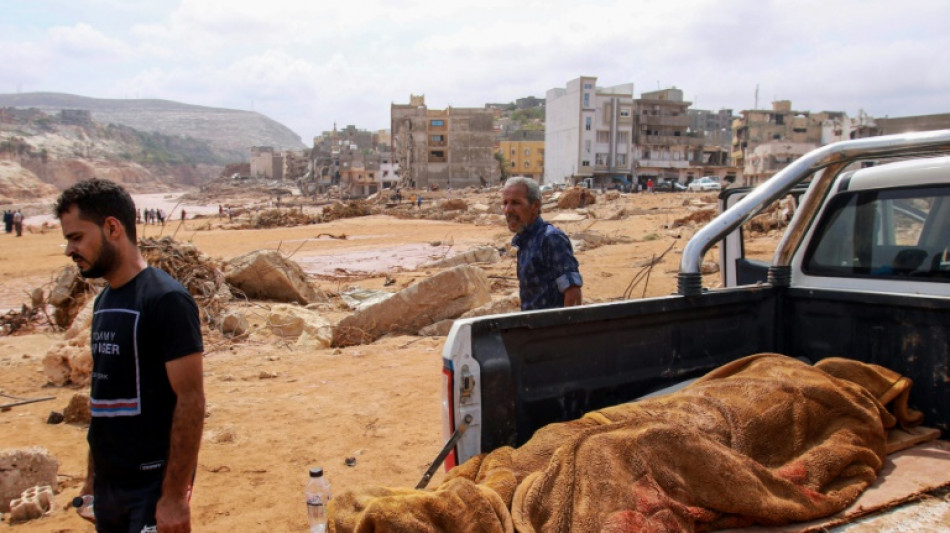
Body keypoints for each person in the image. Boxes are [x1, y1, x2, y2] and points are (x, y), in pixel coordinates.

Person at [54, 178, 205, 533]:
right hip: (109, 487)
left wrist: (173, 496)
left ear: (112, 228)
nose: (69, 250)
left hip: (151, 486)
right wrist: (92, 479)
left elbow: (191, 400)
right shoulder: (105, 302)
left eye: (76, 237)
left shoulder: (166, 300)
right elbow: (103, 398)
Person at [502, 176, 583, 310]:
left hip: (549, 329)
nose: (507, 210)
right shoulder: (525, 241)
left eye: (515, 203)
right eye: (505, 203)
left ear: (535, 206)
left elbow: (573, 293)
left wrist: (567, 329)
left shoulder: (551, 239)